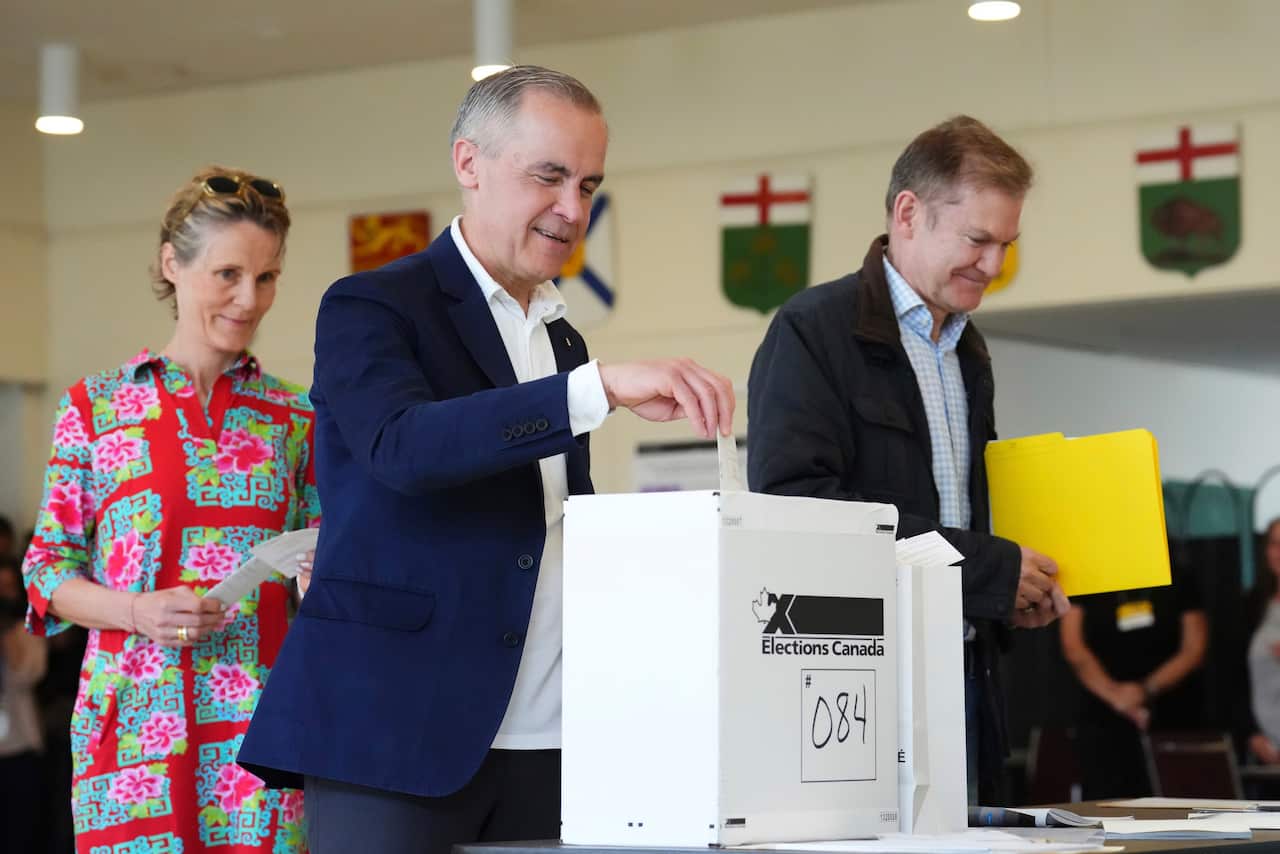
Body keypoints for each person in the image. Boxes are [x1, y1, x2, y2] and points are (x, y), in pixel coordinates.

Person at [238, 66, 735, 854]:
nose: (574, 209)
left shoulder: (562, 337)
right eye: (549, 176)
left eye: (589, 185)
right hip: (395, 730)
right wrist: (596, 388)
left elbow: (546, 523)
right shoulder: (372, 305)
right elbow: (403, 447)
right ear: (469, 163)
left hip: (552, 735)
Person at [746, 115, 1069, 803]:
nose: (995, 267)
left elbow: (960, 511)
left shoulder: (967, 348)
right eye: (978, 240)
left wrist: (1010, 595)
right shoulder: (812, 332)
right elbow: (799, 513)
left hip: (967, 677)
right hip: (857, 691)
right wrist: (990, 571)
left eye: (1007, 245)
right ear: (908, 214)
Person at [22, 166, 319, 852]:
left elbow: (326, 560)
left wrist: (317, 576)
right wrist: (136, 611)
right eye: (228, 274)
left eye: (266, 277)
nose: (249, 298)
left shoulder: (297, 415)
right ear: (171, 265)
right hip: (132, 741)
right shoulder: (94, 408)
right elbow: (45, 571)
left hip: (263, 738)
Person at [1060, 573, 1207, 798]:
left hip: (1169, 715)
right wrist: (1116, 697)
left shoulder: (1177, 576)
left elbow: (1193, 649)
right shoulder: (1088, 576)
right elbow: (1073, 646)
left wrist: (1145, 689)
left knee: (1174, 801)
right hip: (1103, 717)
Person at [1, 554, 48, 852]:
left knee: (22, 834)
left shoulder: (27, 630)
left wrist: (6, 634)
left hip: (20, 746)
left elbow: (28, 674)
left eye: (7, 589)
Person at [1244, 518, 1280, 765]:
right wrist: (1249, 733)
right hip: (1265, 748)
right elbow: (1231, 676)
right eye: (1275, 544)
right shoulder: (1251, 605)